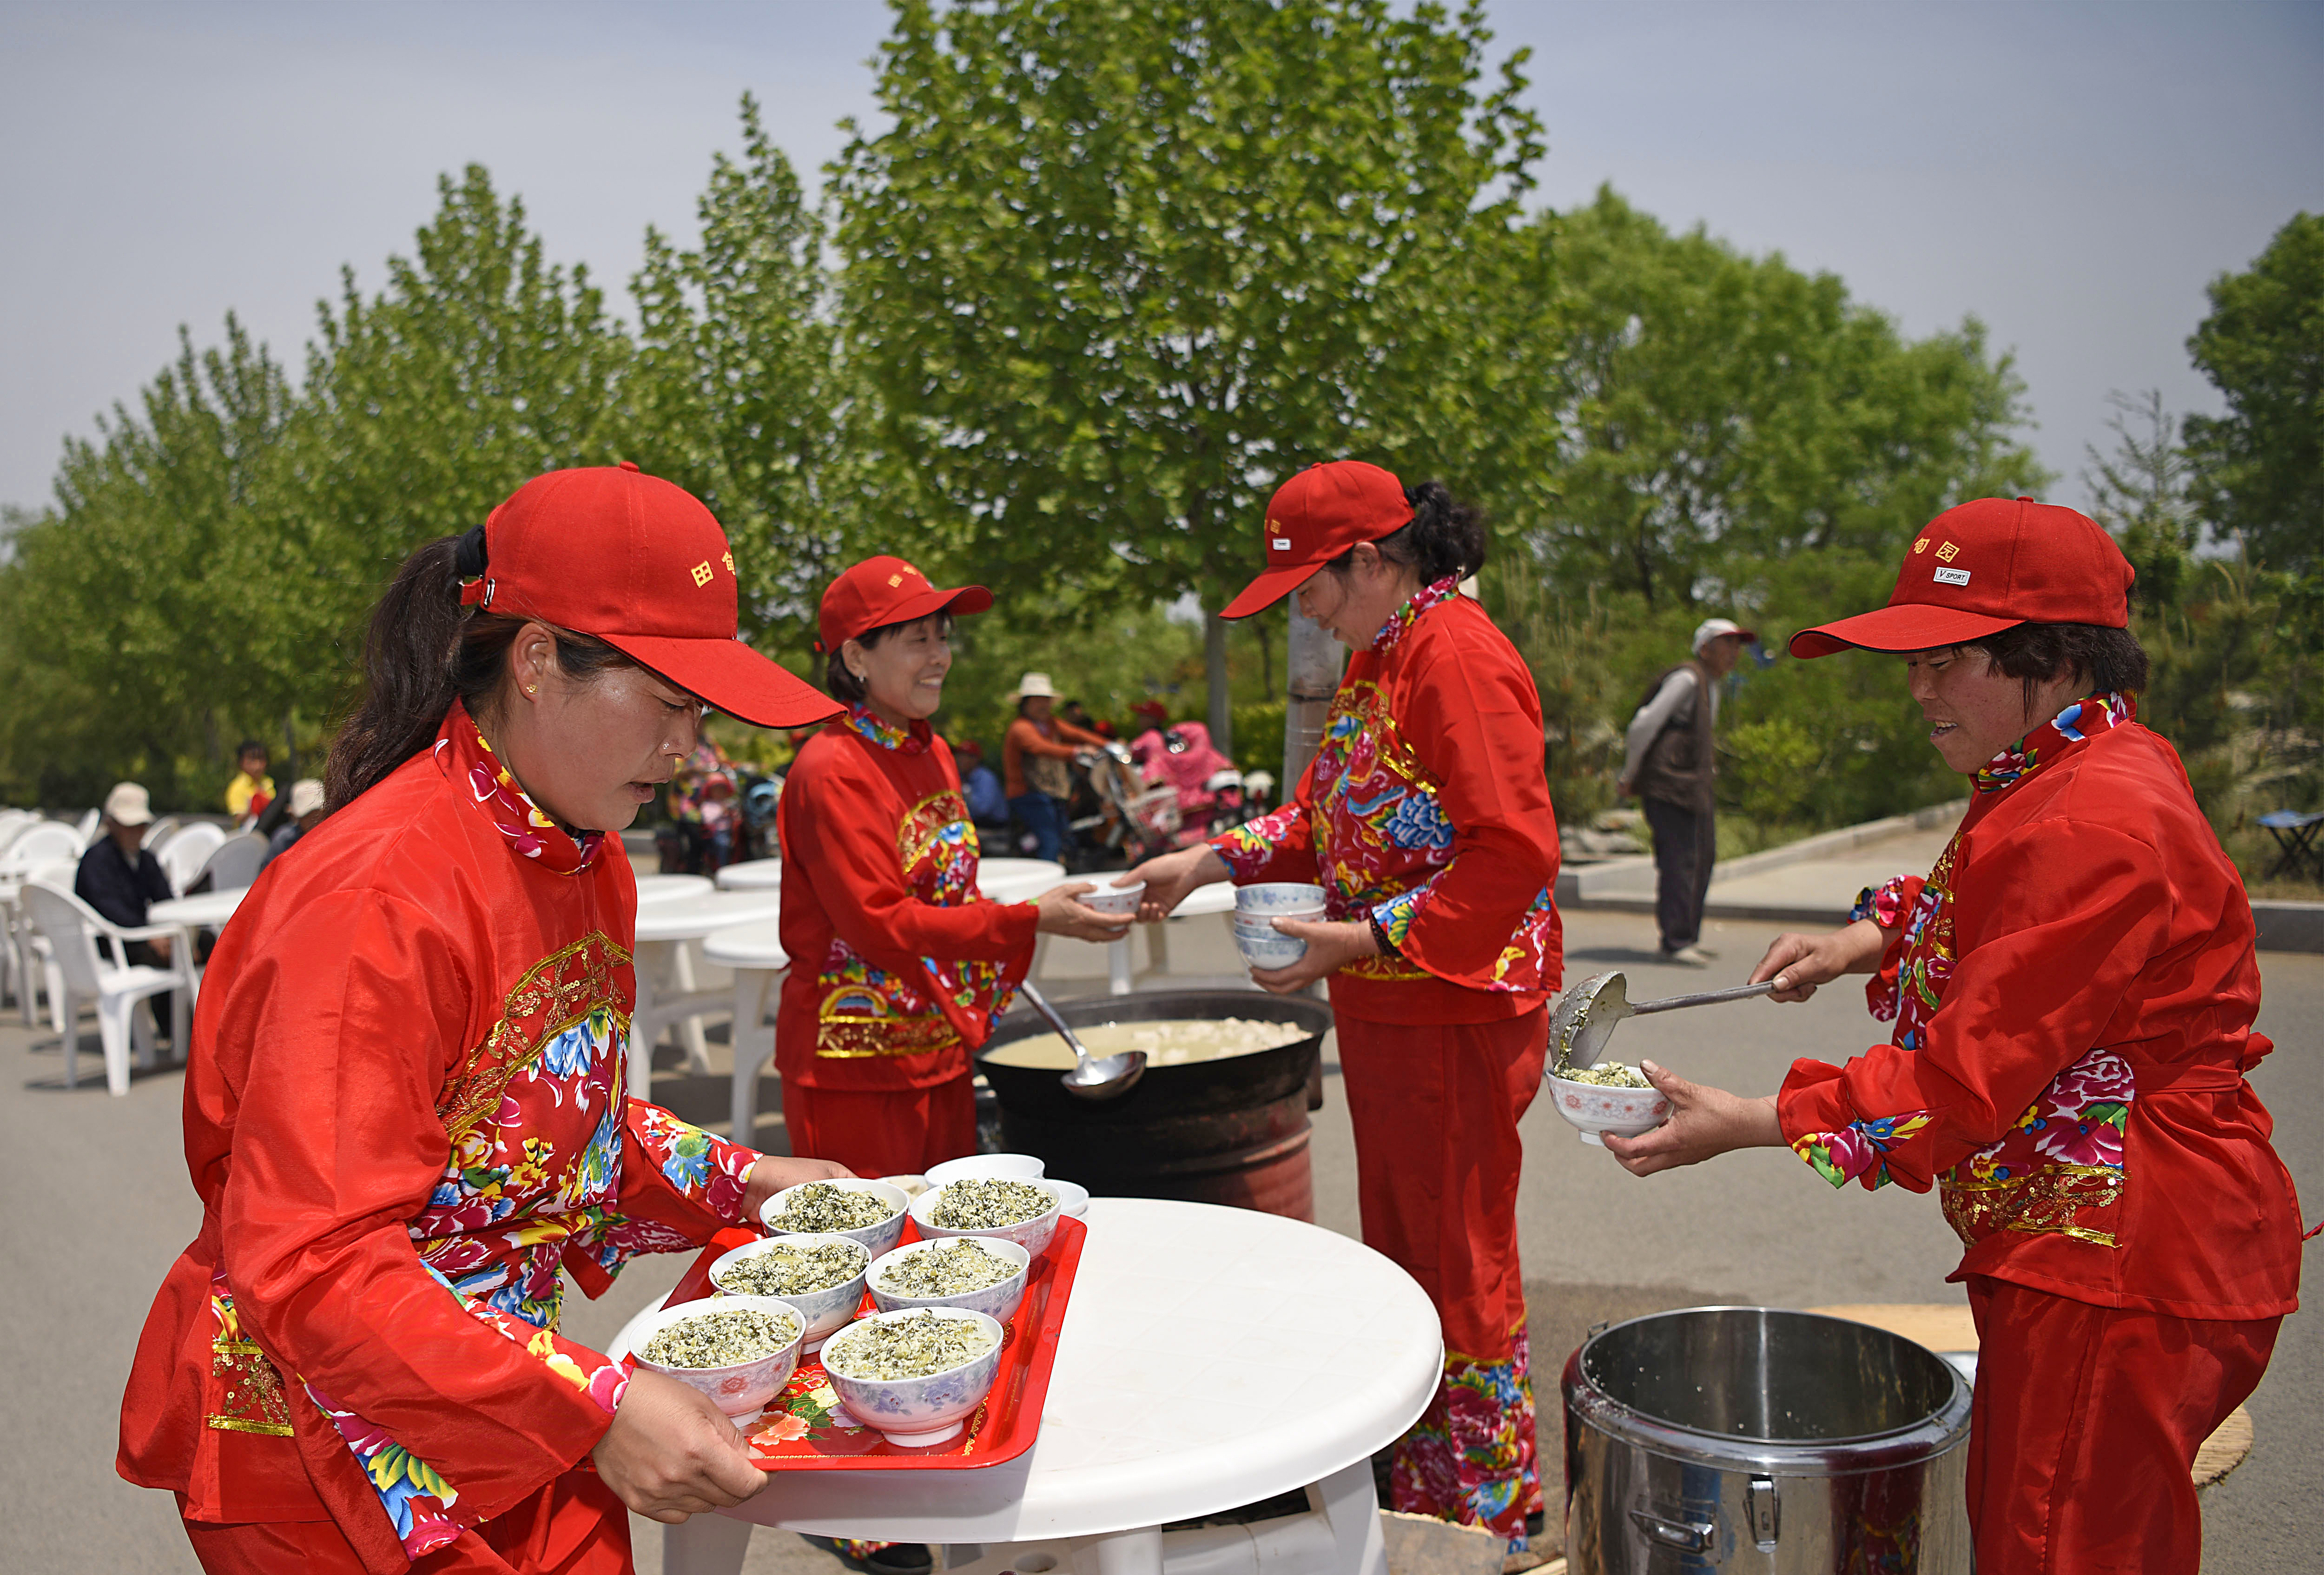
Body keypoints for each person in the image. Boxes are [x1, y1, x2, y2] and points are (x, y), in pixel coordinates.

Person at [118, 463, 854, 1574]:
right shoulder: (376, 898)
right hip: (324, 1449)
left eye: (700, 710)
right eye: (667, 702)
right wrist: (595, 1407)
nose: (690, 748)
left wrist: (748, 1180)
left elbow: (549, 1124)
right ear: (539, 659)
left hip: (506, 1397)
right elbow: (314, 1260)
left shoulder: (585, 857)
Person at [1604, 497, 2304, 1573]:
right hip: (2091, 1249)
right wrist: (1865, 939)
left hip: (2119, 1259)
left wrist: (1747, 1117)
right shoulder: (2062, 769)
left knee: (2055, 1547)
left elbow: (1963, 1080)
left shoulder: (2092, 813)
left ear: (2057, 659)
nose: (1919, 689)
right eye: (1911, 662)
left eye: (1947, 659)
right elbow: (1997, 904)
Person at [1128, 461, 1563, 1550]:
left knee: (1460, 1261)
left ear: (1372, 559)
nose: (1303, 612)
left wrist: (1368, 936)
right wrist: (1212, 857)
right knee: (1413, 1252)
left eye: (1309, 589)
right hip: (1391, 1009)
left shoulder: (1452, 656)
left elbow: (1513, 848)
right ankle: (1423, 1489)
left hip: (1452, 1007)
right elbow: (1326, 820)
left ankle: (1489, 1516)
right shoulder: (1383, 657)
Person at [776, 558, 1131, 1179]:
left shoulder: (931, 749)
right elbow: (880, 924)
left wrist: (1027, 918)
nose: (939, 655)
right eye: (918, 640)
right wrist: (1028, 919)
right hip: (856, 1068)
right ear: (857, 658)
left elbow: (951, 890)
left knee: (946, 1254)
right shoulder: (831, 769)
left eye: (943, 636)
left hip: (939, 1046)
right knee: (873, 1253)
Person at [1616, 617, 1752, 966]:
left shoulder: (1712, 685)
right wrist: (1629, 774)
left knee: (1702, 859)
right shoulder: (1687, 678)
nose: (1734, 652)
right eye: (1727, 643)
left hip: (1694, 787)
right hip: (1670, 786)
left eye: (1738, 645)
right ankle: (1675, 941)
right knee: (1680, 861)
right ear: (1705, 648)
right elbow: (1643, 725)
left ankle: (1688, 935)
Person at [75, 781, 178, 1039]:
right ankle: (175, 1029)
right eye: (129, 826)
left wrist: (176, 932)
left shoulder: (146, 859)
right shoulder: (96, 860)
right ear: (111, 824)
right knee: (161, 955)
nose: (135, 832)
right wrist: (149, 934)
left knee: (206, 944)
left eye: (140, 826)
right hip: (110, 939)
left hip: (140, 931)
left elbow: (165, 899)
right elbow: (107, 909)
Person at [1002, 672, 1106, 862]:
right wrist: (1077, 752)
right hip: (1028, 794)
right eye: (1038, 700)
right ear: (1026, 703)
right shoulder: (1021, 727)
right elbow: (1040, 747)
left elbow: (1078, 734)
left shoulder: (1050, 724)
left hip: (1050, 793)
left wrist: (1107, 745)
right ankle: (1046, 884)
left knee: (1065, 837)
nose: (1044, 705)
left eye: (1047, 700)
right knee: (1050, 841)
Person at [259, 779, 328, 871]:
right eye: (307, 816)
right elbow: (268, 875)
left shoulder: (335, 836)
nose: (314, 820)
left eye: (318, 814)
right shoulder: (284, 841)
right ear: (293, 815)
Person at [954, 740, 1010, 834]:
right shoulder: (962, 776)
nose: (959, 760)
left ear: (975, 760)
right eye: (958, 756)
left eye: (964, 756)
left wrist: (966, 790)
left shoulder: (986, 778)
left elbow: (983, 810)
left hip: (992, 828)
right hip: (975, 825)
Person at [224, 741, 275, 825]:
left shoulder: (269, 782)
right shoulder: (237, 787)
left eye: (261, 759)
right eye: (252, 760)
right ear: (241, 762)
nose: (258, 765)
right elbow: (239, 819)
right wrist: (255, 806)